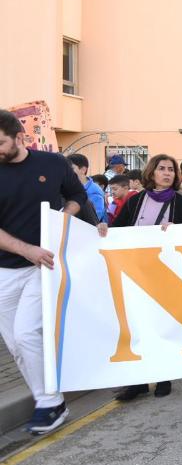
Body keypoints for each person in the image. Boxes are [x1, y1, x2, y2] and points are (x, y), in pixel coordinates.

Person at [0, 110, 87, 434]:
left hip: (45, 264)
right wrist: (27, 250)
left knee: (26, 333)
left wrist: (62, 218)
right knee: (15, 344)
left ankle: (51, 402)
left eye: (0, 143)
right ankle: (47, 401)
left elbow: (77, 196)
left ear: (19, 137)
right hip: (7, 268)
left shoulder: (51, 164)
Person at [98, 154, 182, 401]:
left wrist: (177, 233)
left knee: (162, 326)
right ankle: (139, 382)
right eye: (162, 168)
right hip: (135, 272)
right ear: (151, 173)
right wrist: (102, 228)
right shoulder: (135, 200)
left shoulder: (181, 204)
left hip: (164, 274)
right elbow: (117, 228)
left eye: (171, 170)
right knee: (138, 327)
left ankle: (164, 377)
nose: (167, 173)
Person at [67, 153, 107, 223]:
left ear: (83, 170)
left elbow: (94, 218)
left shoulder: (95, 192)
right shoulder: (71, 186)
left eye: (71, 168)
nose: (67, 171)